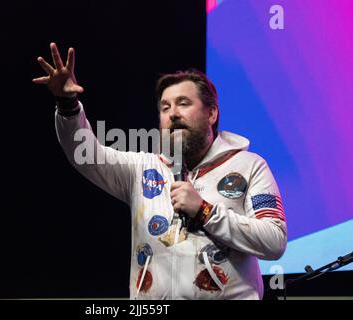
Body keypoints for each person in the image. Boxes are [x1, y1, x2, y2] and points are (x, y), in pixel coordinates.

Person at [33, 43, 287, 300]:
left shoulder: (249, 165)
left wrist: (205, 211)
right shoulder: (142, 168)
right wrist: (67, 104)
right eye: (165, 108)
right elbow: (84, 154)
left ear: (211, 113)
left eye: (183, 103)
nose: (173, 114)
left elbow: (274, 241)